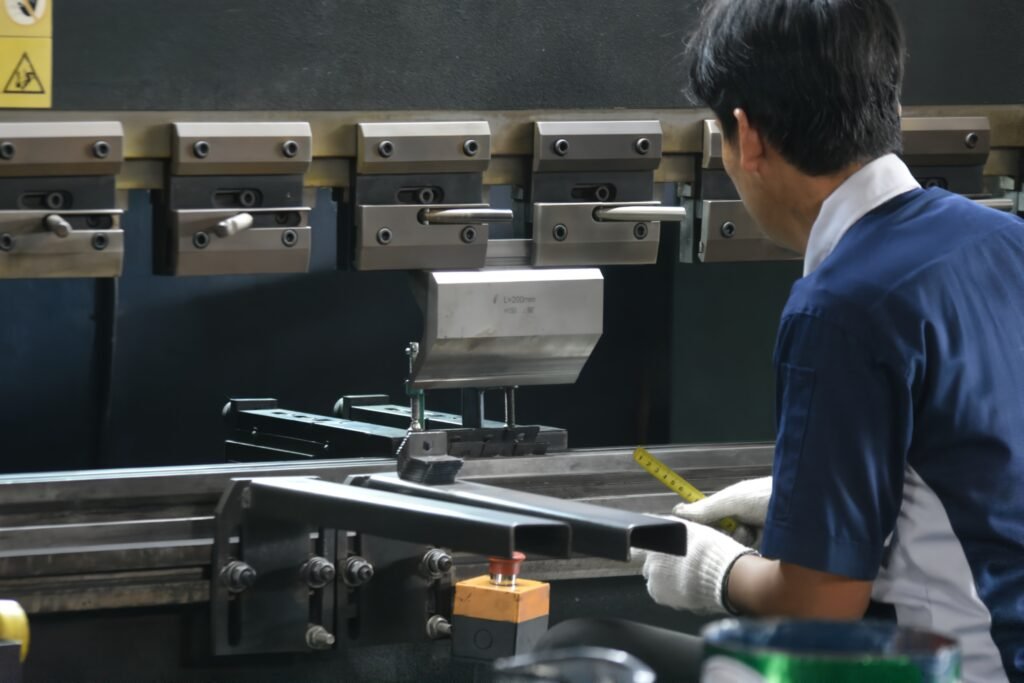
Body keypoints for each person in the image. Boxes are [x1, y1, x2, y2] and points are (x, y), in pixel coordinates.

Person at [537, 0, 1024, 681]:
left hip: (958, 669)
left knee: (579, 646)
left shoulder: (841, 306)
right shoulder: (1005, 241)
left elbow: (819, 607)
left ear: (748, 136)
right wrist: (803, 505)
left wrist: (713, 568)